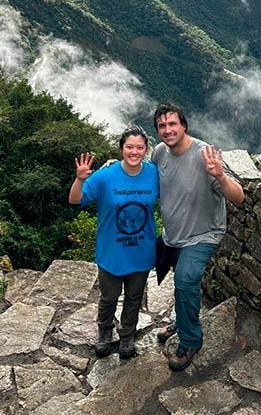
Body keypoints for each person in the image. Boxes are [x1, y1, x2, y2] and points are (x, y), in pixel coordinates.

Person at [151, 101, 244, 372]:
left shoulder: (205, 155)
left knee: (185, 279)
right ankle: (181, 321)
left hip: (204, 234)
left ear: (184, 125)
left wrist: (221, 176)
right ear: (157, 131)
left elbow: (238, 197)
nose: (167, 130)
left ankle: (191, 340)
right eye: (162, 126)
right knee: (180, 282)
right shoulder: (159, 153)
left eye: (172, 124)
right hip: (174, 235)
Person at [69, 126, 158, 359]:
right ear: (121, 149)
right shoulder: (105, 176)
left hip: (141, 252)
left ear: (146, 150)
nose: (134, 152)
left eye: (139, 147)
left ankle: (127, 335)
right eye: (129, 147)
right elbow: (75, 200)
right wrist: (80, 179)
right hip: (111, 252)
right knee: (108, 297)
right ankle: (105, 332)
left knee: (134, 298)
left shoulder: (153, 174)